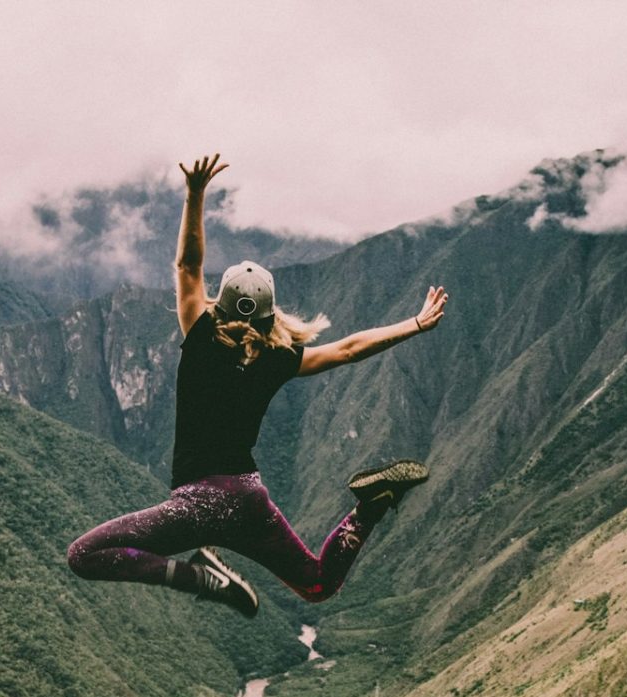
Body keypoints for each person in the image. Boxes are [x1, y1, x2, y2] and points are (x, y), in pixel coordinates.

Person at [67, 154, 448, 617]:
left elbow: (188, 265)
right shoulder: (278, 358)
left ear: (219, 304)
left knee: (84, 556)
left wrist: (195, 193)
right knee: (317, 584)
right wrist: (414, 324)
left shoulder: (202, 336)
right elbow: (348, 349)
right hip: (249, 499)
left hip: (198, 504)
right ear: (271, 313)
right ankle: (368, 508)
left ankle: (200, 577)